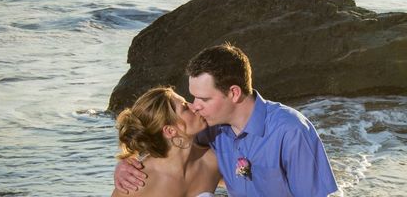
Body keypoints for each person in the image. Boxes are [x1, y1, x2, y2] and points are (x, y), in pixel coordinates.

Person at [115, 44, 338, 196]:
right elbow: (159, 141)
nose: (195, 106)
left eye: (203, 98)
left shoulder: (290, 131)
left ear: (233, 93)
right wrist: (126, 165)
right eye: (191, 99)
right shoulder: (210, 130)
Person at [112, 86, 220, 197]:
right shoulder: (137, 182)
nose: (195, 107)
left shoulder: (213, 162)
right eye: (185, 108)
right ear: (170, 130)